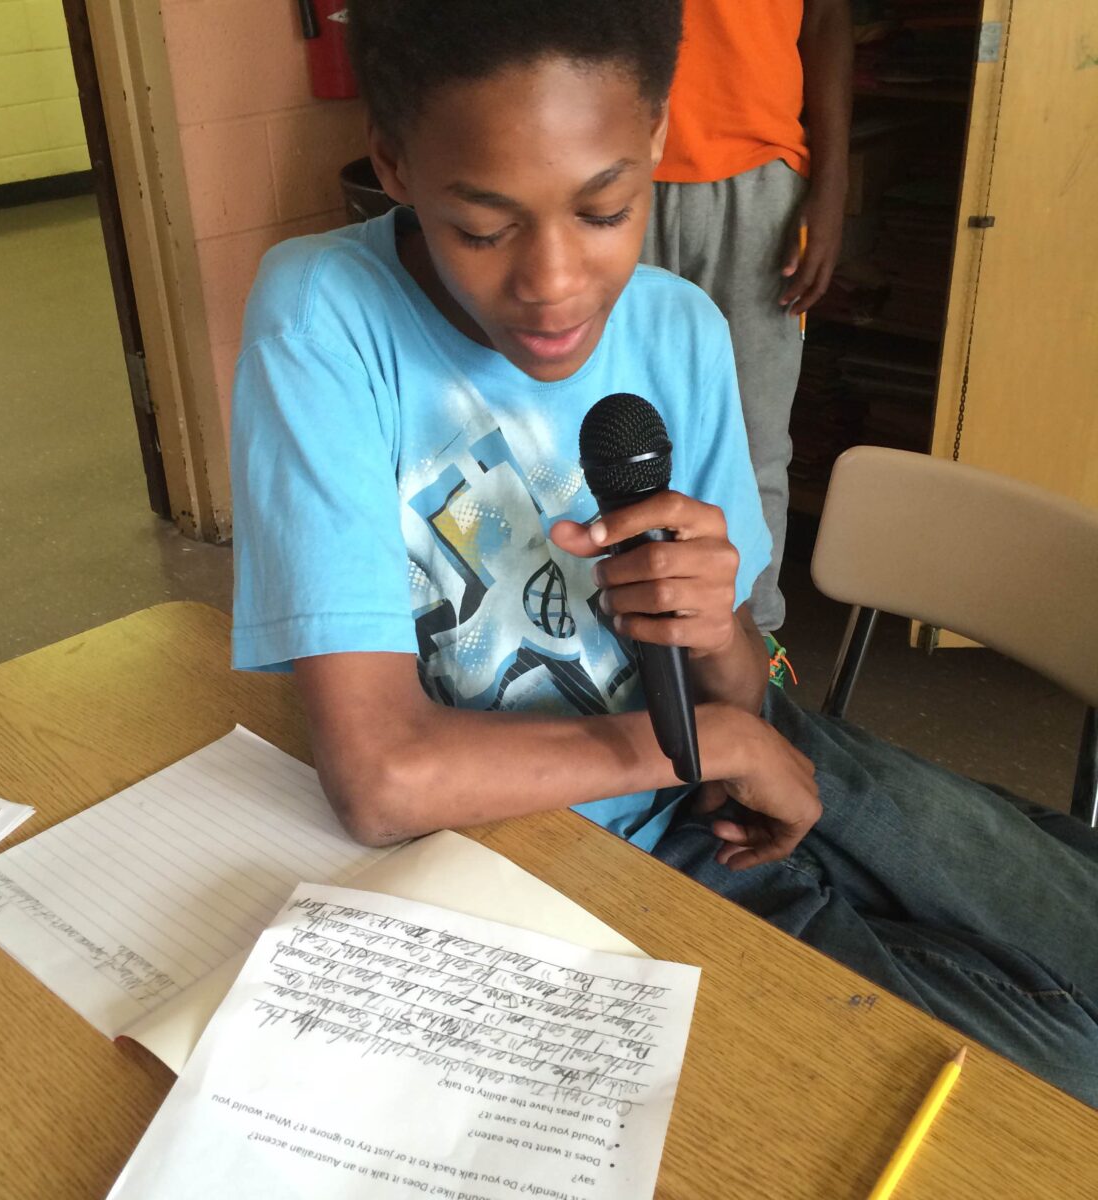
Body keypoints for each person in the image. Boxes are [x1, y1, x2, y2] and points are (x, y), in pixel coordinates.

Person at [231, 0, 1098, 1106]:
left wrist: (720, 632)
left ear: (652, 147)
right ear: (395, 165)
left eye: (605, 209)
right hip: (572, 852)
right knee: (1055, 1076)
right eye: (484, 228)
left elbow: (741, 677)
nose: (552, 285)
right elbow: (382, 774)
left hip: (740, 759)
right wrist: (711, 740)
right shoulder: (323, 318)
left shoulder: (680, 325)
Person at [643, 0, 853, 638]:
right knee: (612, 434)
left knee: (756, 443)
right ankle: (619, 656)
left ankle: (753, 647)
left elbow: (825, 19)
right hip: (612, 168)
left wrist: (832, 184)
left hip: (762, 181)